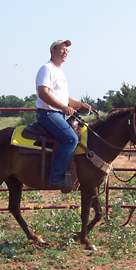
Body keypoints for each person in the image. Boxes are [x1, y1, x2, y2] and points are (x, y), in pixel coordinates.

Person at [35, 39, 89, 190]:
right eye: (62, 49)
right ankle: (55, 178)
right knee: (71, 139)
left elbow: (64, 98)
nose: (65, 52)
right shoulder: (47, 69)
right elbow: (43, 94)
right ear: (52, 51)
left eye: (67, 50)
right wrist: (64, 108)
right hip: (47, 113)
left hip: (58, 113)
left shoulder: (59, 72)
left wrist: (79, 105)